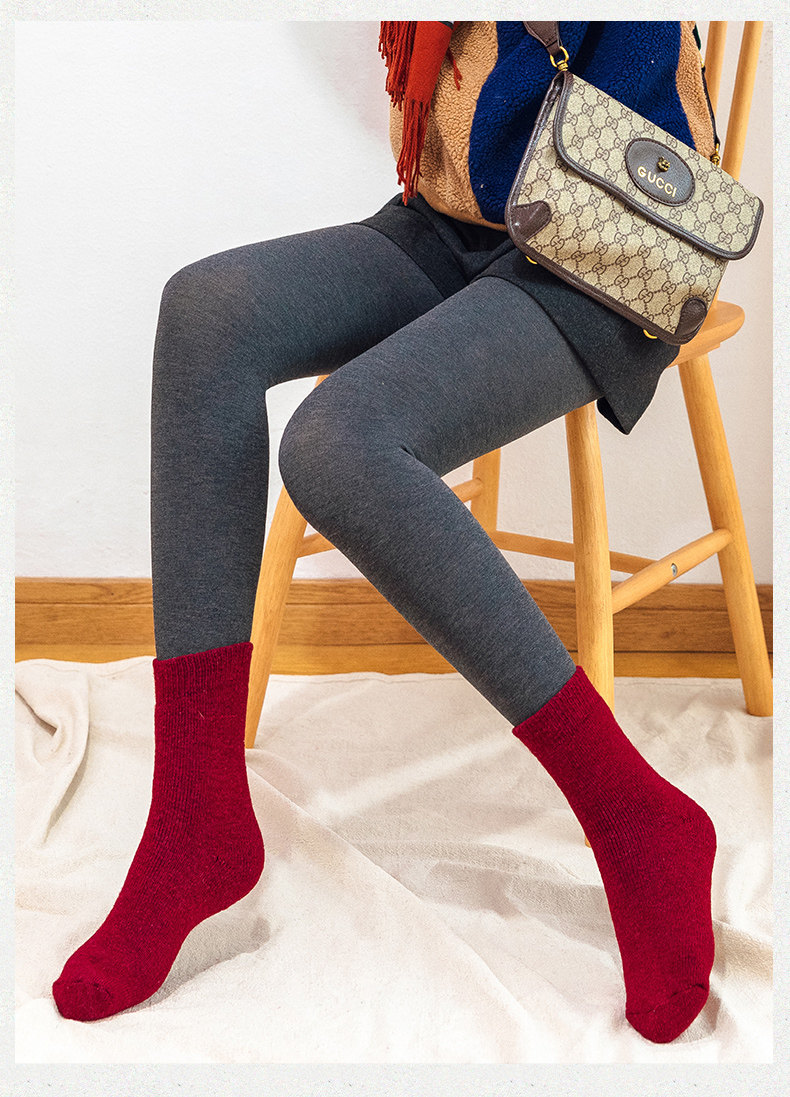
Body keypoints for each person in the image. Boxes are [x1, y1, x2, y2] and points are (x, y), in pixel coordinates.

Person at [52, 21, 718, 1044]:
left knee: (337, 443)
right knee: (205, 313)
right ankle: (196, 814)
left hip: (610, 229)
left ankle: (640, 819)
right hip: (459, 218)